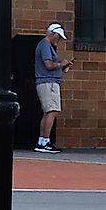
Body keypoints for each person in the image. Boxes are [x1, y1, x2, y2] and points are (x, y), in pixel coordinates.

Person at [33, 23, 71, 152]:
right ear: (53, 33)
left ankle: (43, 141)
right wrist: (62, 64)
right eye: (58, 36)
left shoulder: (47, 46)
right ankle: (44, 142)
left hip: (48, 82)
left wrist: (63, 66)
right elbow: (48, 65)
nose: (58, 39)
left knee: (48, 111)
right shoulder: (45, 45)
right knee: (52, 111)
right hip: (48, 83)